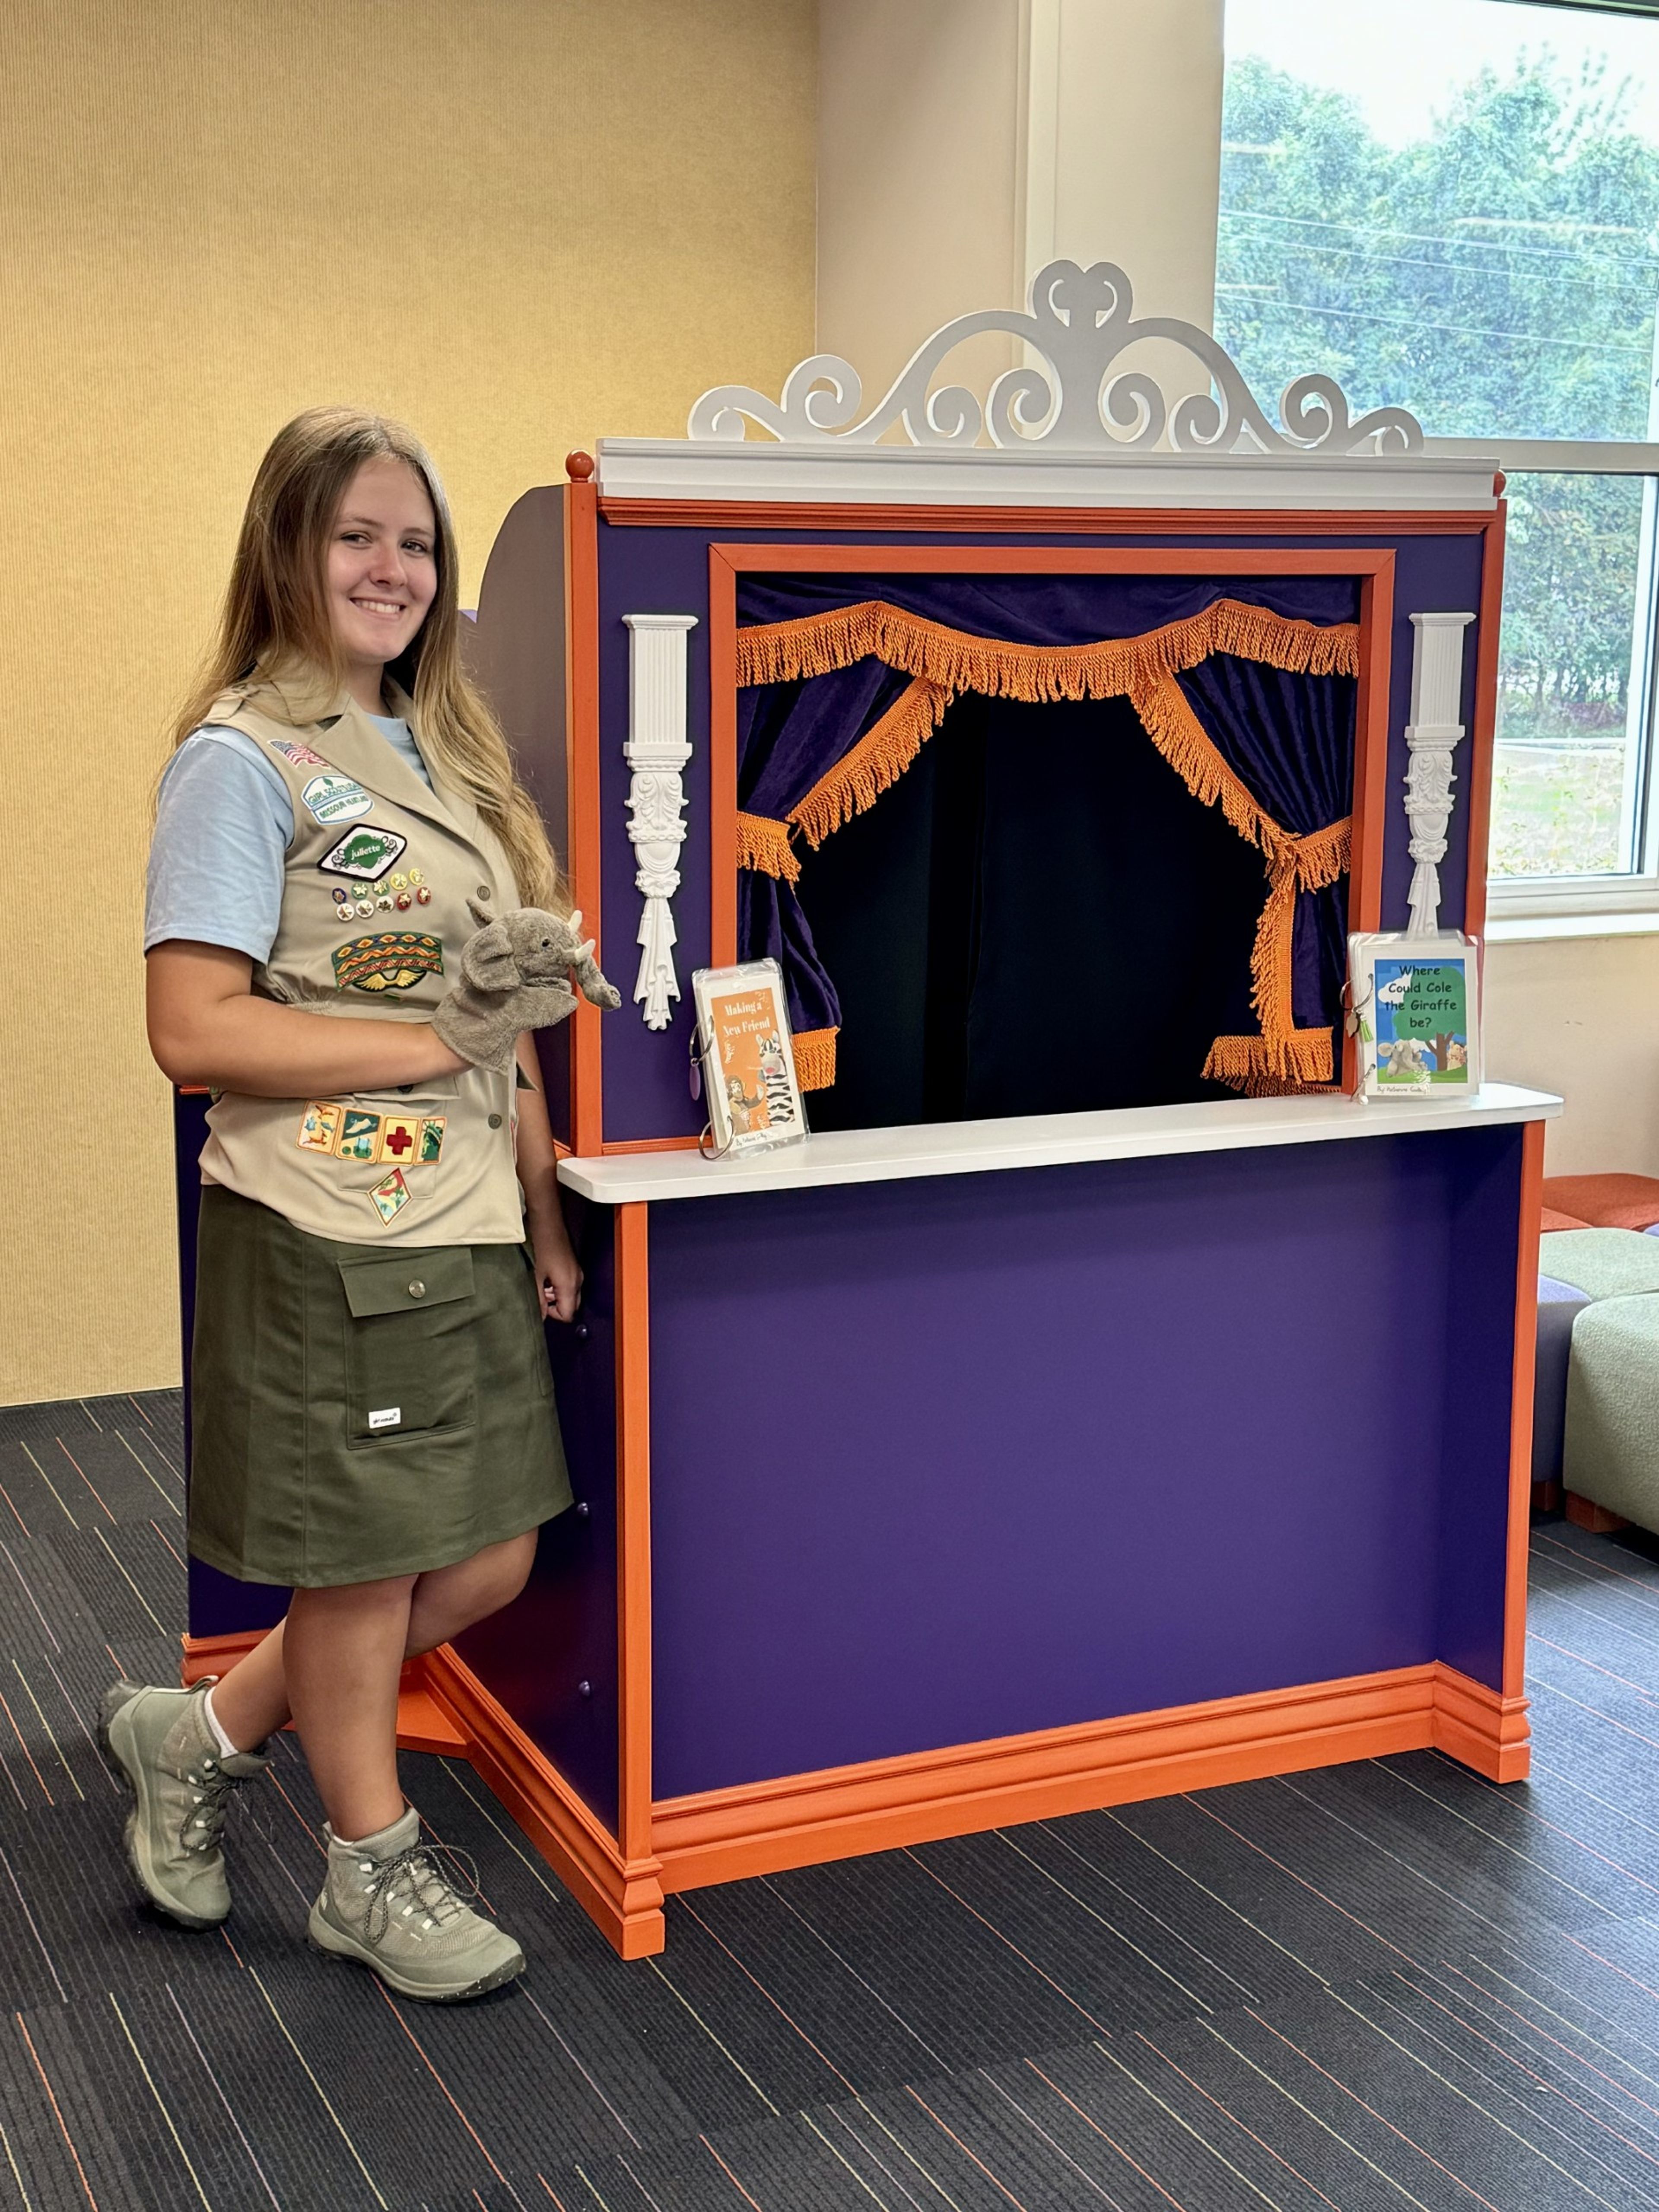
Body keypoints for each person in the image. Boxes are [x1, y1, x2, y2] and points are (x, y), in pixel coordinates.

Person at [105, 406, 596, 2002]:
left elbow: (493, 1016)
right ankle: (367, 1874)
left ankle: (203, 1734)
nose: (395, 568)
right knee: (363, 1573)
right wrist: (429, 1043)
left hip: (459, 1223)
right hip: (327, 1227)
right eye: (357, 535)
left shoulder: (439, 753)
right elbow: (194, 1030)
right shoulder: (242, 762)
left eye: (417, 541)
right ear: (288, 552)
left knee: (491, 1559)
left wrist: (540, 1206)